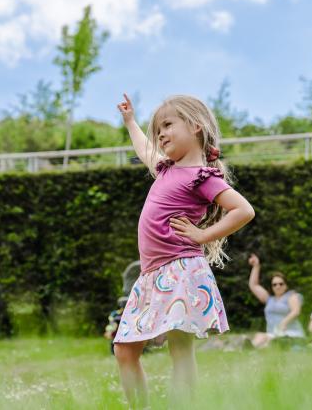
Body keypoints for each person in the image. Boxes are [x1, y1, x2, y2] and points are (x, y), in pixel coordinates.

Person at [113, 94, 256, 407]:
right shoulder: (166, 170)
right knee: (124, 349)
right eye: (157, 129)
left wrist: (203, 234)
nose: (160, 134)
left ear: (195, 127)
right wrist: (130, 122)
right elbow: (144, 149)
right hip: (151, 275)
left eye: (167, 125)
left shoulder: (201, 177)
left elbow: (243, 210)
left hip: (181, 270)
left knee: (180, 349)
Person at [247, 253, 305, 348]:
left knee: (268, 342)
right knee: (260, 336)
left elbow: (296, 311)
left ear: (286, 285)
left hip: (290, 333)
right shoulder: (269, 299)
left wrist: (283, 323)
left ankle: (256, 348)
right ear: (272, 287)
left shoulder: (291, 296)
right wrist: (256, 266)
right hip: (273, 333)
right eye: (274, 284)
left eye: (281, 284)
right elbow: (253, 285)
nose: (278, 286)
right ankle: (250, 348)